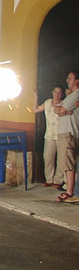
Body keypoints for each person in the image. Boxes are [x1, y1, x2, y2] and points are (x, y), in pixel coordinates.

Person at [53, 71, 79, 203]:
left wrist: (62, 109)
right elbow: (56, 109)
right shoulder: (71, 95)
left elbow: (61, 110)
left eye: (70, 78)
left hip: (69, 132)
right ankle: (70, 189)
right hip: (65, 131)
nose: (67, 80)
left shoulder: (76, 94)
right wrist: (61, 108)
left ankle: (70, 191)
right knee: (67, 161)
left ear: (77, 81)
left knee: (69, 162)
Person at [33, 85, 64, 188]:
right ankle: (49, 179)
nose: (57, 94)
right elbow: (36, 109)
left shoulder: (64, 104)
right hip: (49, 134)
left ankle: (58, 180)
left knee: (61, 159)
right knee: (48, 157)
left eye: (59, 92)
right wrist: (36, 97)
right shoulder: (47, 102)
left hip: (61, 134)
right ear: (52, 92)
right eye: (55, 92)